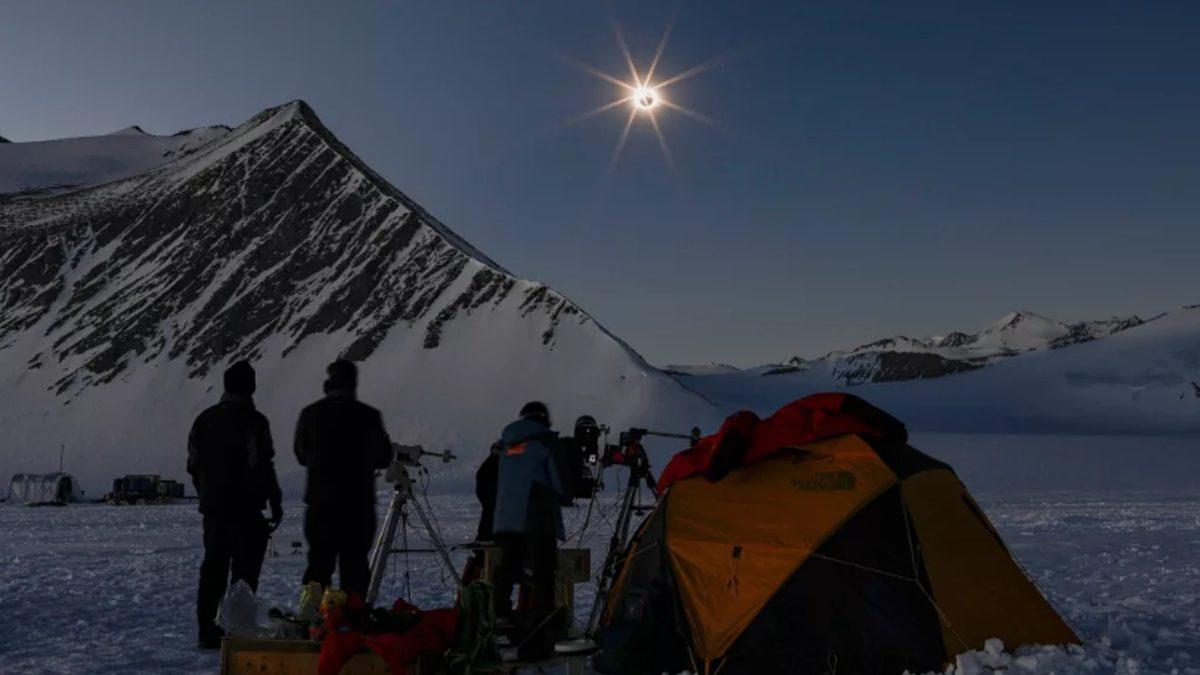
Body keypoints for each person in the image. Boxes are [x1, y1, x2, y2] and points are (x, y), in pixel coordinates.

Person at [187, 360, 283, 649]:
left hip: (214, 510)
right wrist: (274, 502)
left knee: (212, 569)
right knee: (244, 574)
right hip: (245, 510)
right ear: (249, 387)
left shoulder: (204, 420)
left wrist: (207, 493)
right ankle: (237, 629)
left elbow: (193, 463)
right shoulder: (254, 421)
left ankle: (207, 629)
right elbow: (263, 465)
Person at [294, 359, 393, 599]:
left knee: (318, 567)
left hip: (321, 506)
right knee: (355, 570)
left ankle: (311, 623)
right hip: (357, 507)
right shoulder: (368, 416)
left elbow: (301, 454)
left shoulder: (311, 414)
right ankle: (353, 625)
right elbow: (383, 457)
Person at [492, 401, 570, 659]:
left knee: (507, 570)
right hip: (536, 517)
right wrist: (567, 493)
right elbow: (559, 479)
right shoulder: (544, 441)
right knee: (543, 576)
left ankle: (499, 619)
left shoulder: (507, 444)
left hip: (505, 519)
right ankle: (539, 634)